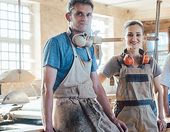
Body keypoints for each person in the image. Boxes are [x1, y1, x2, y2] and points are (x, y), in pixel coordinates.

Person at [41, 0, 127, 132]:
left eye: (88, 15)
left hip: (89, 104)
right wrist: (47, 127)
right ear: (69, 16)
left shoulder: (89, 48)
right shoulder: (55, 43)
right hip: (66, 106)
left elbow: (97, 86)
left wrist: (112, 118)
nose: (84, 19)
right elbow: (47, 88)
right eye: (79, 14)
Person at [99, 20, 166, 132]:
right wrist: (109, 113)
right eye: (130, 35)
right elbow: (96, 84)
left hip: (149, 118)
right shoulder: (116, 61)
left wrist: (161, 117)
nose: (134, 39)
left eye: (138, 35)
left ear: (143, 37)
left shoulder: (151, 62)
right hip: (125, 119)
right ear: (124, 37)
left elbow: (159, 90)